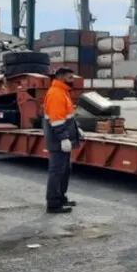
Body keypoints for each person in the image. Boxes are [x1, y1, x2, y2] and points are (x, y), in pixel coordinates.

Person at [43, 67, 81, 214]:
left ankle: (60, 198)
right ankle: (53, 204)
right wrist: (64, 138)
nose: (73, 81)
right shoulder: (56, 94)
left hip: (62, 139)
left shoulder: (63, 92)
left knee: (64, 170)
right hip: (58, 140)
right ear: (60, 77)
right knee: (57, 171)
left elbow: (67, 117)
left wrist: (76, 130)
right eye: (70, 78)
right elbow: (57, 120)